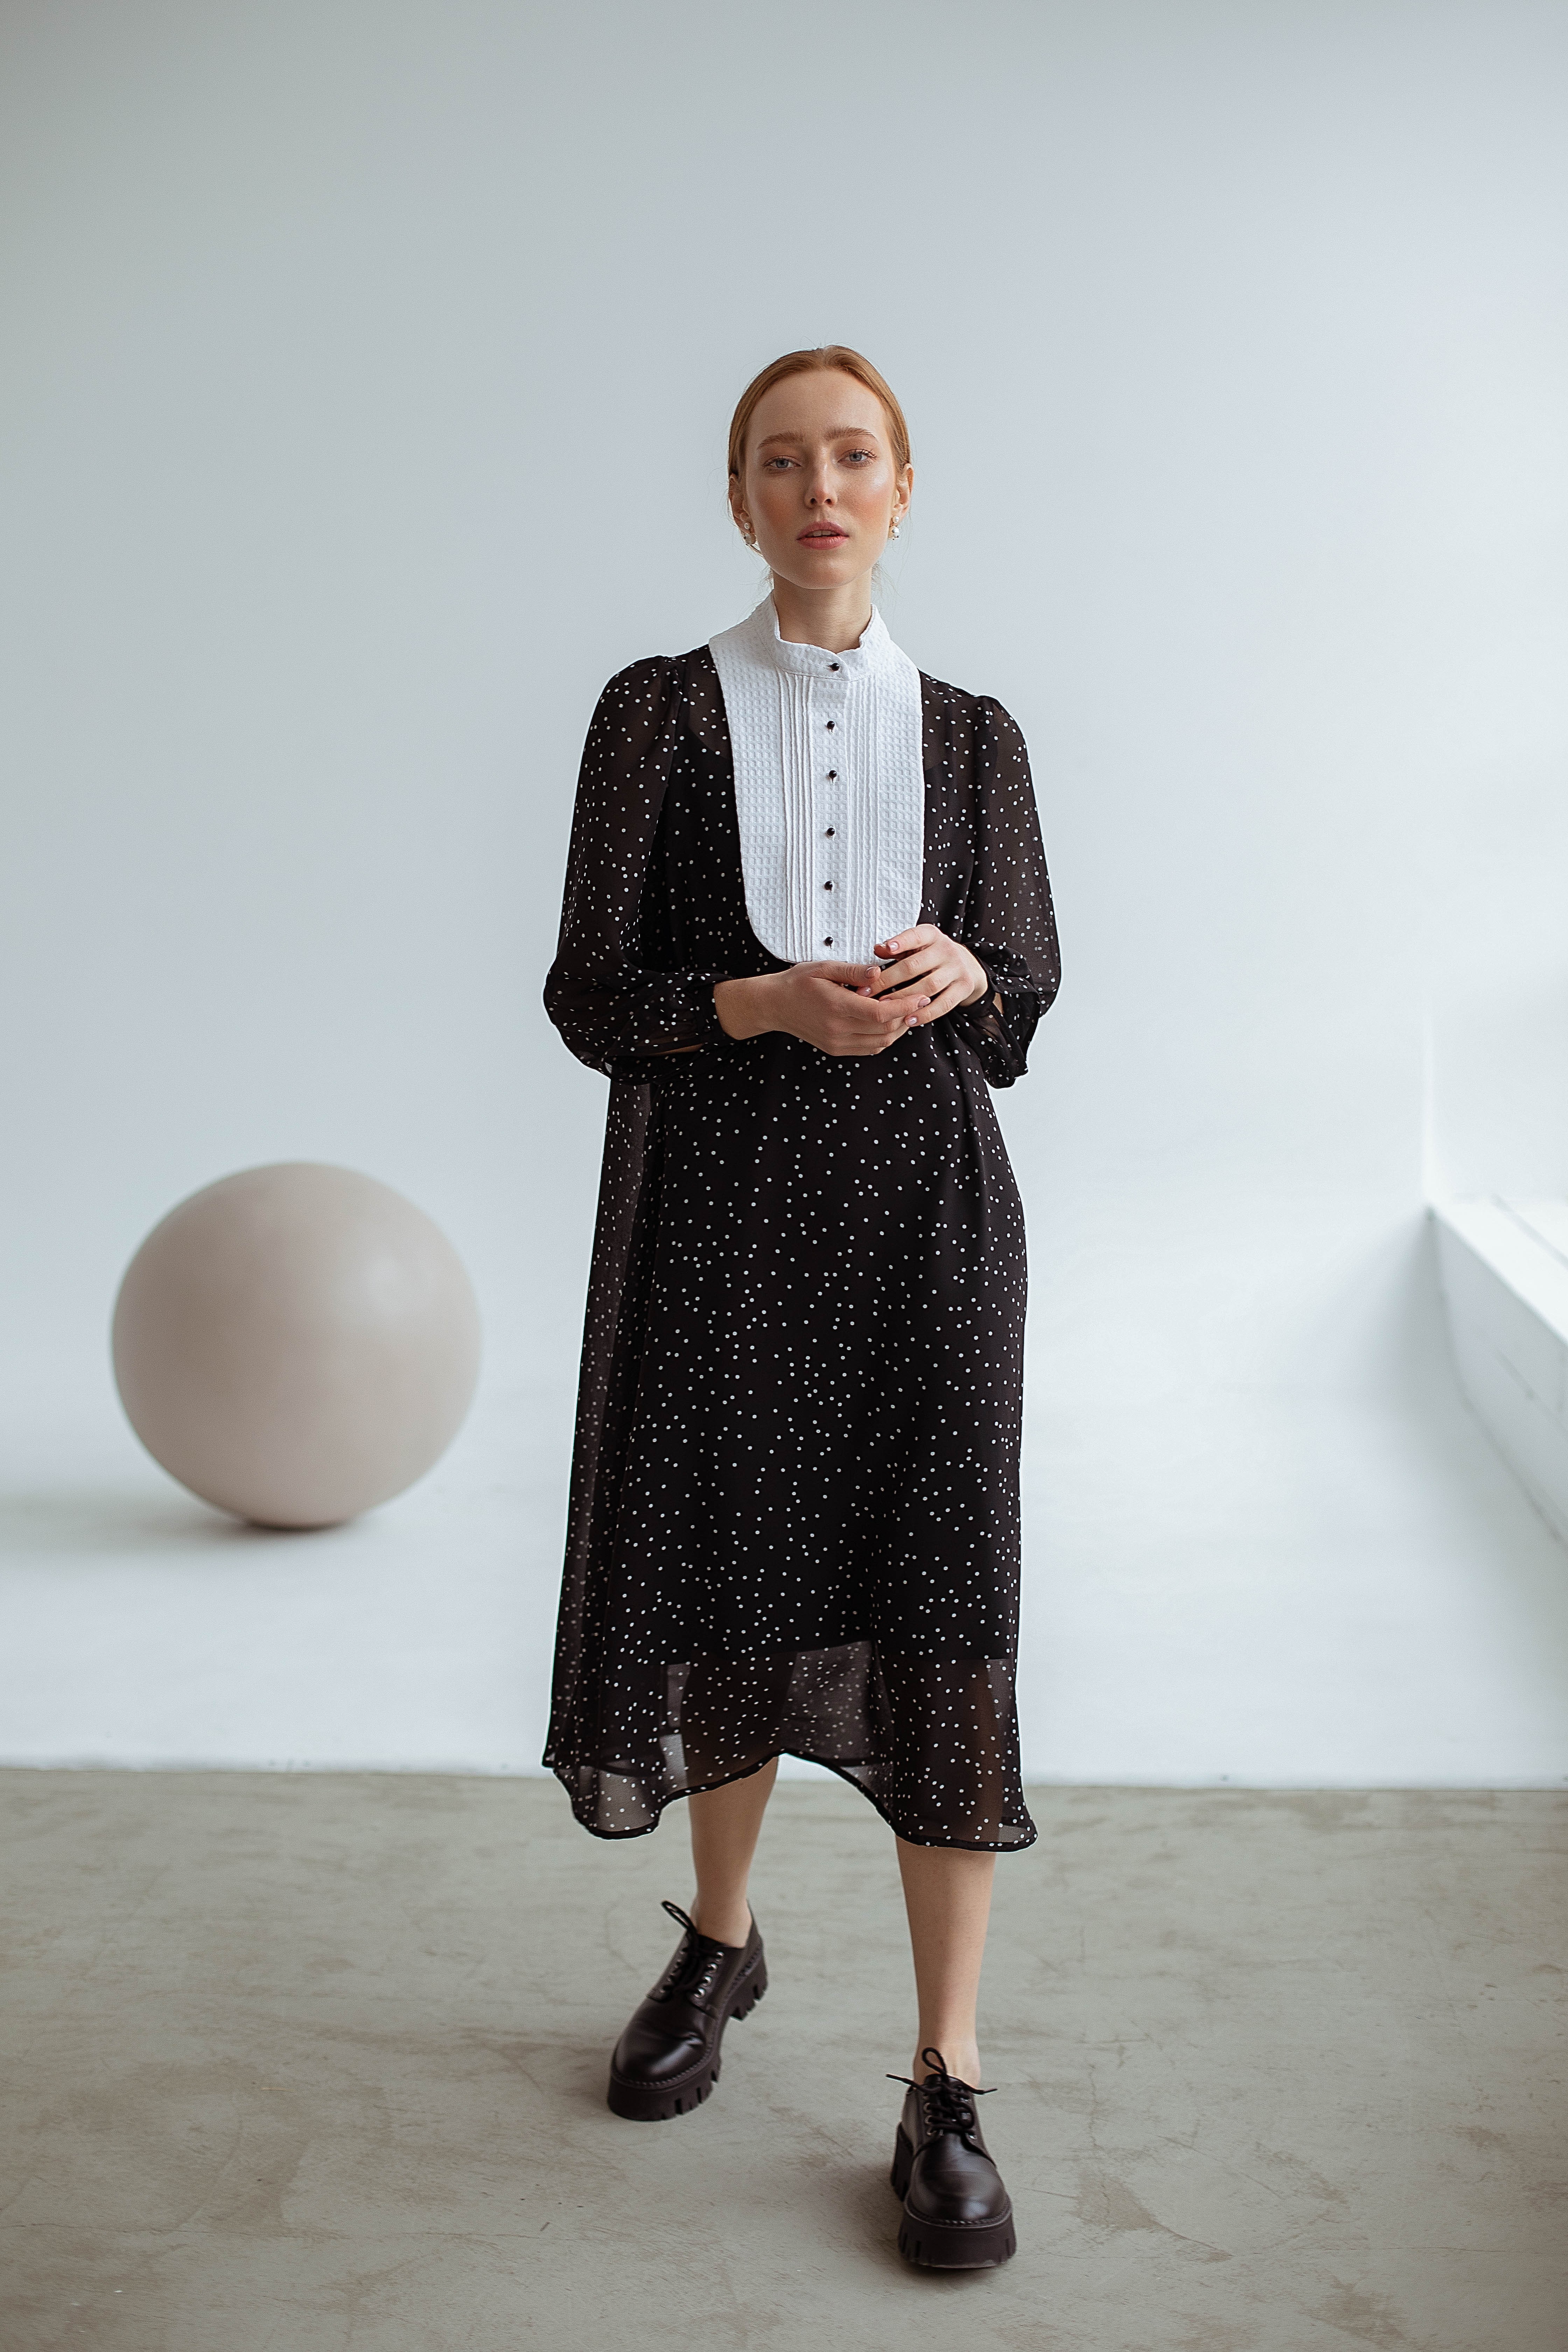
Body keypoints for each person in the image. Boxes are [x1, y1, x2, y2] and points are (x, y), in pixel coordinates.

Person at [542, 344, 1059, 2270]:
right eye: (782, 460)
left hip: (928, 1229)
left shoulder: (979, 735)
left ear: (902, 489)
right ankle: (722, 1938)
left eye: (853, 456)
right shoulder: (656, 713)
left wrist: (965, 974)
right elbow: (591, 990)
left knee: (944, 1610)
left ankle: (947, 2073)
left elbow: (1028, 993)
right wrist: (761, 1001)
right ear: (742, 496)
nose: (819, 487)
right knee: (733, 1591)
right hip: (725, 1225)